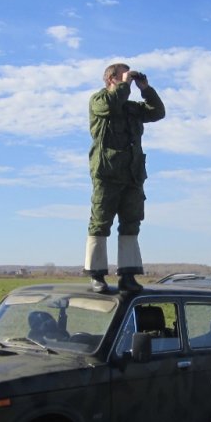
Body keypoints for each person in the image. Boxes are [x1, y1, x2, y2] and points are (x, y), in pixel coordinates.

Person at [84, 63, 166, 293]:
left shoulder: (131, 108)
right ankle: (97, 274)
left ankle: (127, 275)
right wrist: (125, 85)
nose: (128, 79)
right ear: (112, 79)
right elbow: (111, 104)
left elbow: (157, 112)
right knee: (100, 222)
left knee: (131, 223)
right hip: (107, 173)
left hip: (132, 175)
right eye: (124, 75)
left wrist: (145, 88)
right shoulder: (99, 100)